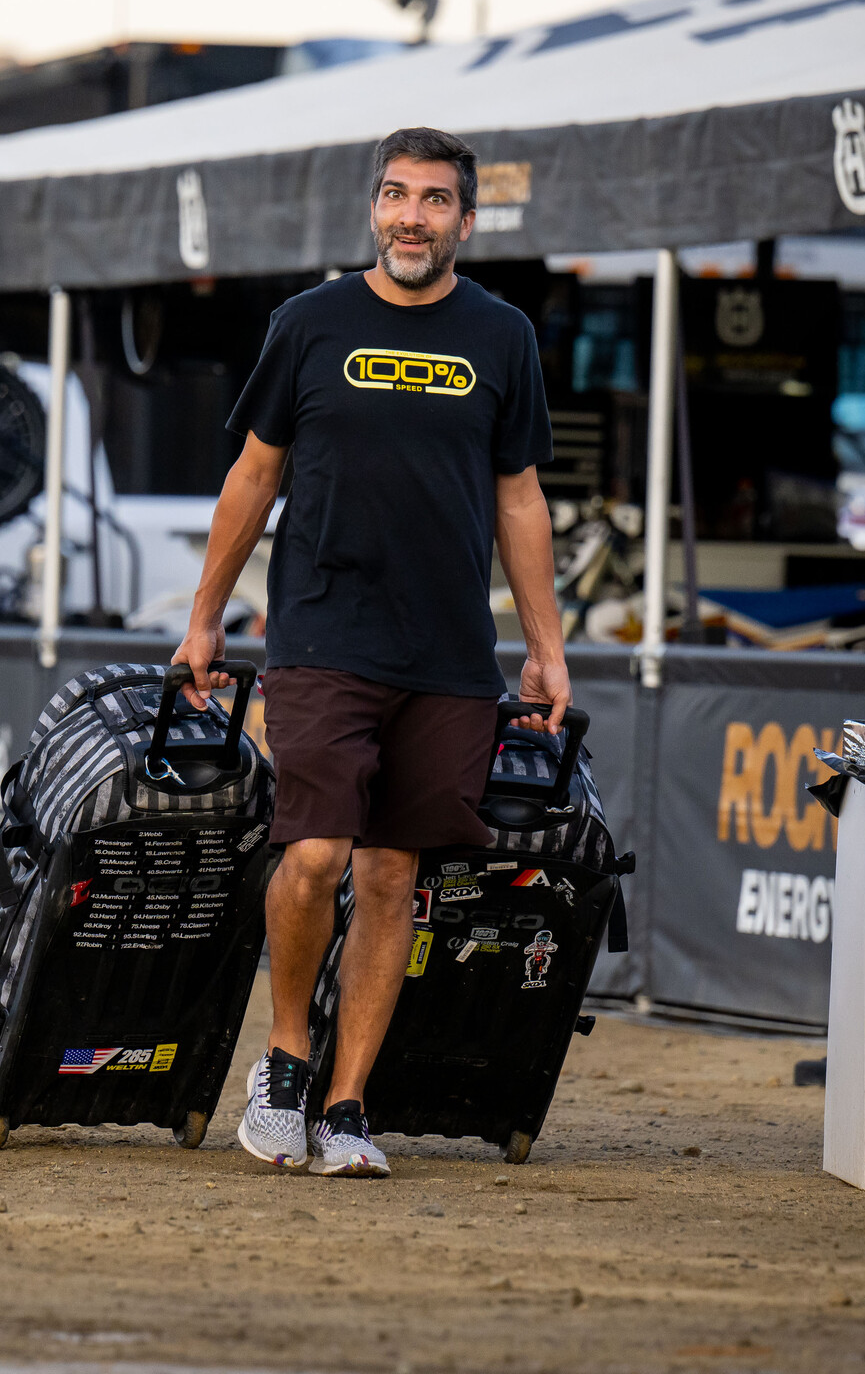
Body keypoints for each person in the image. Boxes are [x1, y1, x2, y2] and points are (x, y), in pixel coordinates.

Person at [173, 126, 571, 1178]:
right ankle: (288, 1056)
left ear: (466, 222)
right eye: (395, 195)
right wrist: (206, 616)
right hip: (320, 636)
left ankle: (348, 1107)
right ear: (373, 208)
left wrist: (544, 650)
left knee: (394, 875)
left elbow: (521, 497)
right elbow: (253, 477)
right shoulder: (308, 324)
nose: (410, 215)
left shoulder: (503, 336)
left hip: (447, 655)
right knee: (314, 853)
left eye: (434, 201)